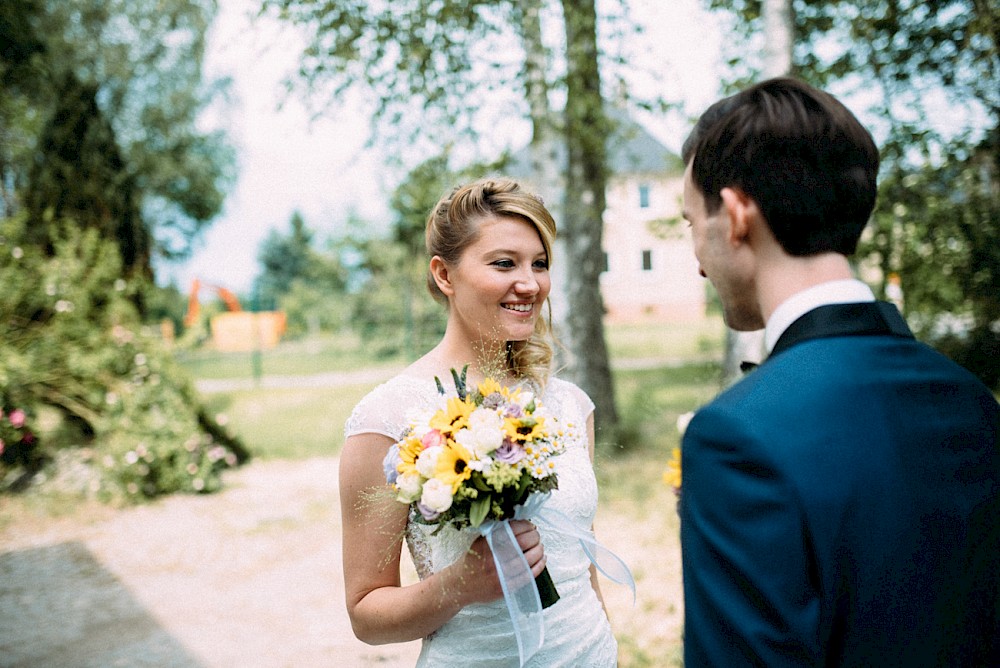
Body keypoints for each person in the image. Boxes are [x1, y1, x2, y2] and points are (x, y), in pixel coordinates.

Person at [678, 77, 1000, 667]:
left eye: (691, 225)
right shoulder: (972, 400)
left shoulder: (735, 437)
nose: (697, 260)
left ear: (736, 213)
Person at [341, 177, 619, 666]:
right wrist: (460, 585)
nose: (530, 283)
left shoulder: (571, 406)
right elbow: (366, 614)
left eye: (540, 264)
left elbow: (583, 565)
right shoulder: (385, 419)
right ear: (444, 276)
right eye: (504, 263)